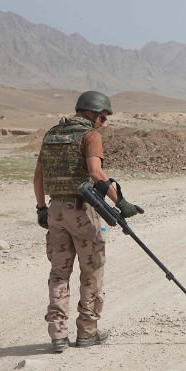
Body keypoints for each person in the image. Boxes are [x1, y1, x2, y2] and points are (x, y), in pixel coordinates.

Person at [33, 91, 143, 353]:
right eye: (103, 118)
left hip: (55, 210)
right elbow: (95, 173)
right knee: (91, 272)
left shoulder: (51, 134)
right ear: (92, 113)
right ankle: (87, 333)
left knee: (59, 273)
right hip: (82, 211)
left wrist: (40, 209)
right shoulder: (89, 136)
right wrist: (121, 203)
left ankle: (58, 335)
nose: (103, 124)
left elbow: (38, 176)